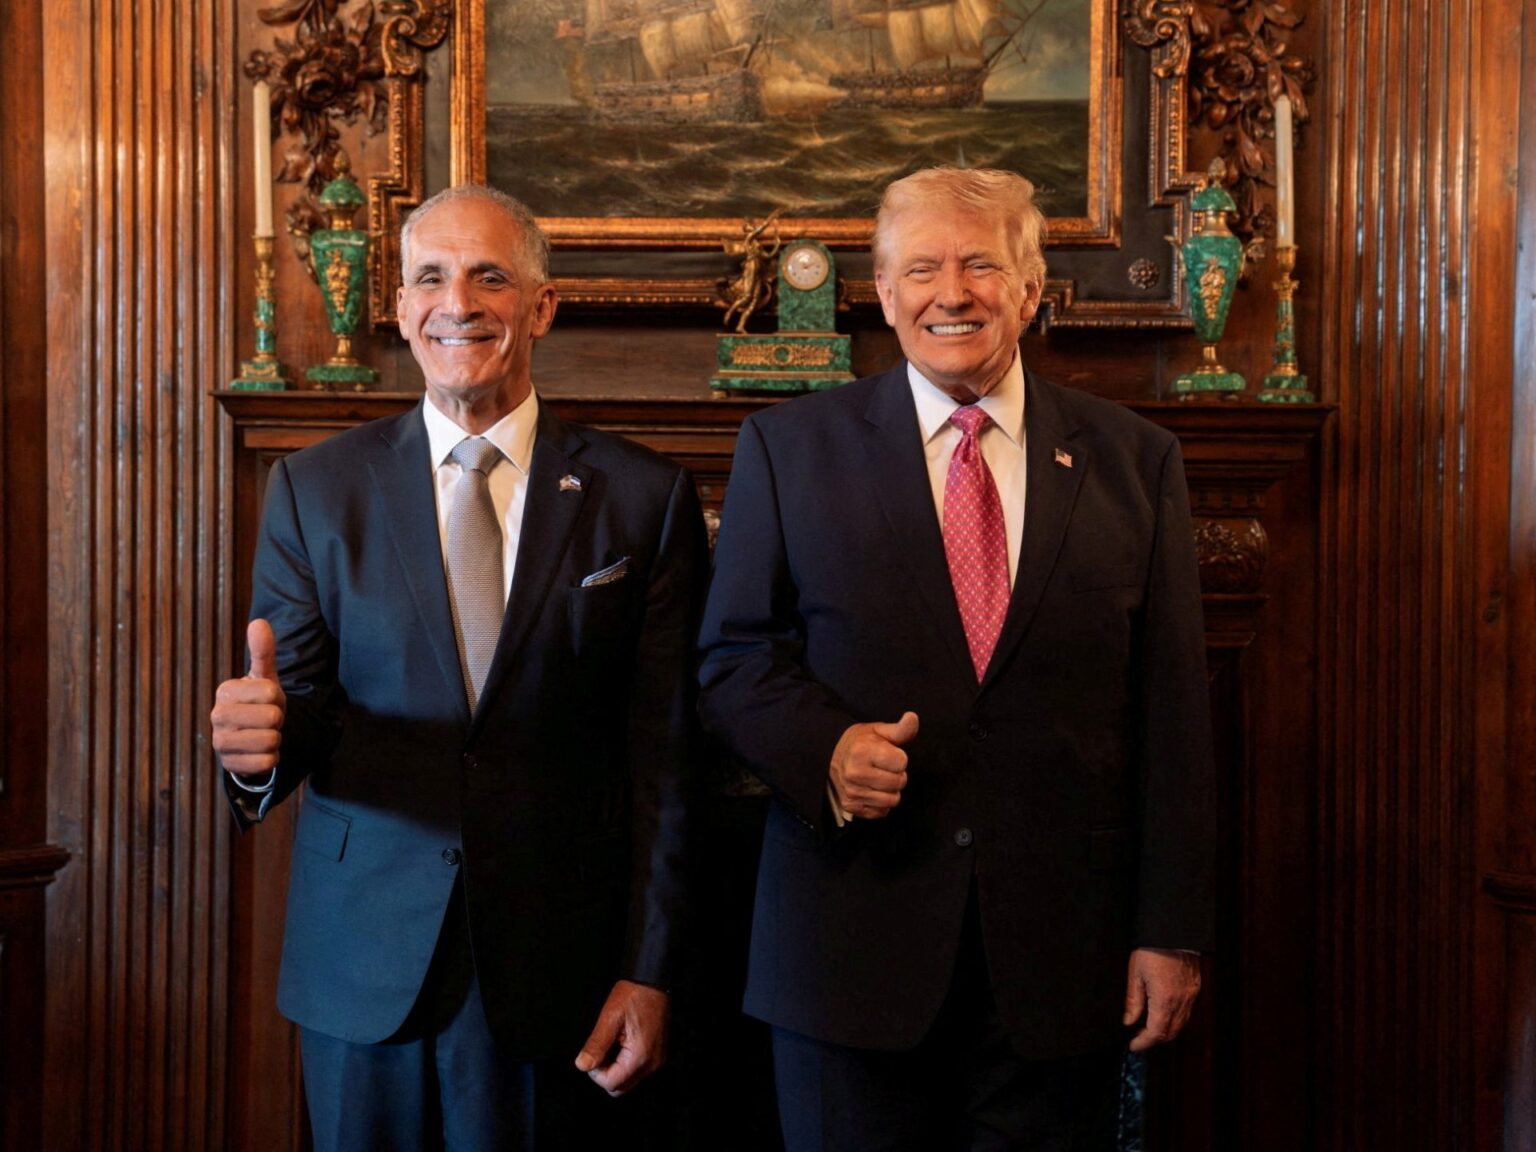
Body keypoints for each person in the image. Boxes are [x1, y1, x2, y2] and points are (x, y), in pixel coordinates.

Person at [697, 167, 1216, 1151]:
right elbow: (731, 659)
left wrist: (1171, 929)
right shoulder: (787, 449)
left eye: (981, 264)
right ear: (884, 292)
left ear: (1031, 288)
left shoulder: (1134, 459)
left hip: (1063, 965)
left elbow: (1174, 715)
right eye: (923, 269)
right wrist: (824, 751)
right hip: (847, 952)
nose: (953, 293)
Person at [210, 184, 707, 1151]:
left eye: (490, 278)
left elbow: (668, 760)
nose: (458, 304)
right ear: (402, 308)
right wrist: (258, 750)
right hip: (363, 961)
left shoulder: (642, 498)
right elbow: (301, 705)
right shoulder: (315, 488)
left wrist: (650, 970)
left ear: (542, 306)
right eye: (431, 278)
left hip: (557, 970)